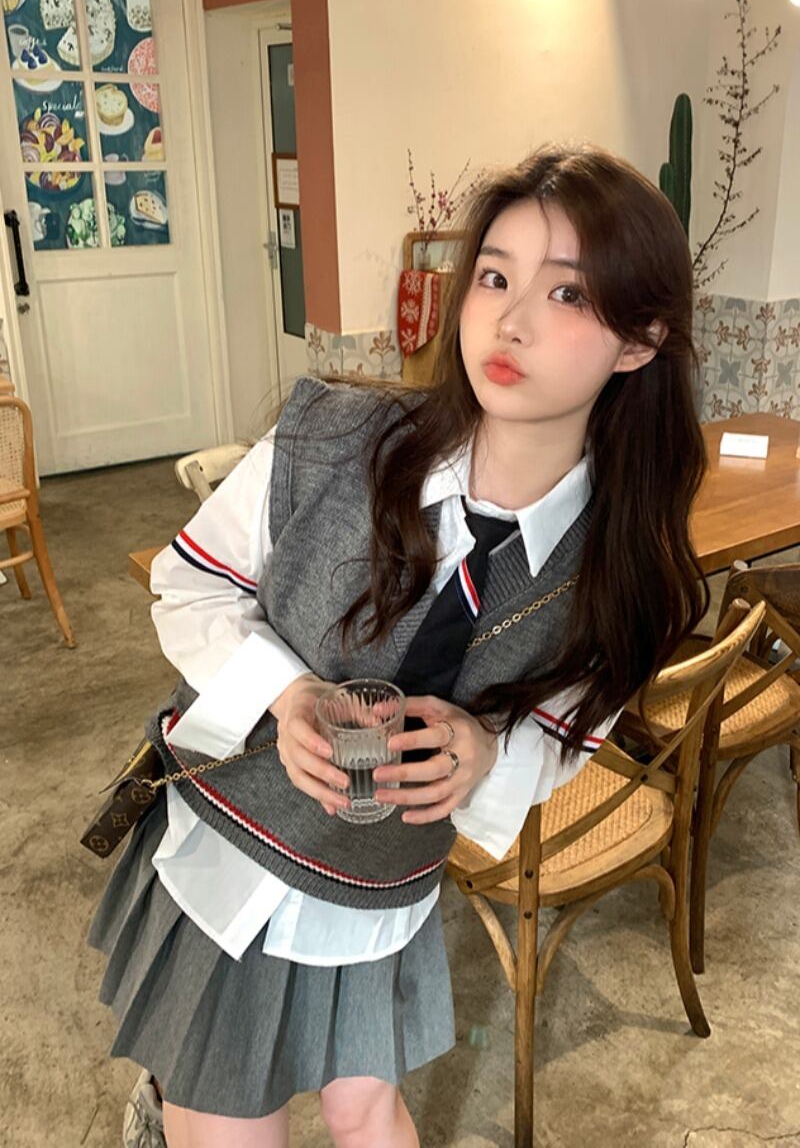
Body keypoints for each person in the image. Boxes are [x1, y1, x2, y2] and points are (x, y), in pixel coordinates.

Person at [87, 142, 710, 1148]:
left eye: (566, 293)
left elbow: (566, 733)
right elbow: (188, 580)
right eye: (494, 278)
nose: (509, 321)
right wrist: (286, 696)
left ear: (640, 339)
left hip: (379, 884)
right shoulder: (331, 440)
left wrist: (485, 753)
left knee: (365, 1106)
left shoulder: (618, 567)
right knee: (225, 1107)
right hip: (231, 843)